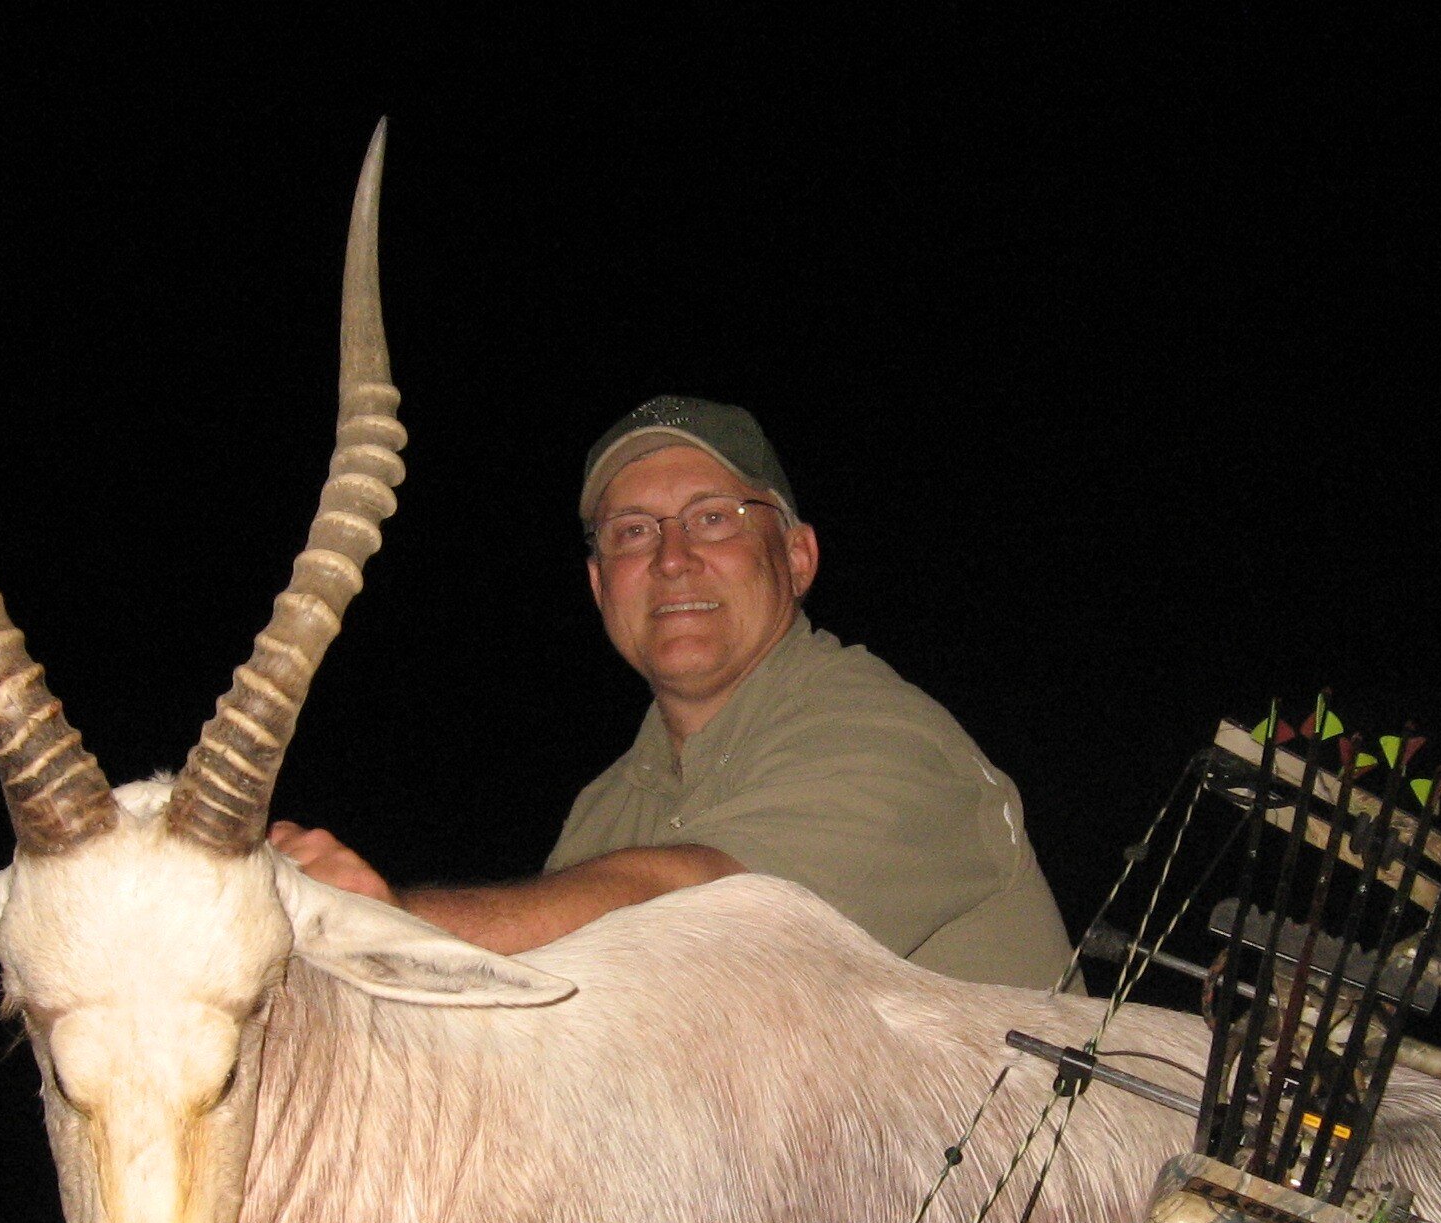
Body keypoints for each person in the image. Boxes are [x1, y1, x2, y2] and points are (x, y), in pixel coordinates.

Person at [272, 395, 1074, 989]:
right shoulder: (606, 811)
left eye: (714, 518)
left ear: (796, 558)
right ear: (597, 584)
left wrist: (382, 920)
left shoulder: (890, 739)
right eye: (632, 532)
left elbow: (709, 914)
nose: (672, 558)